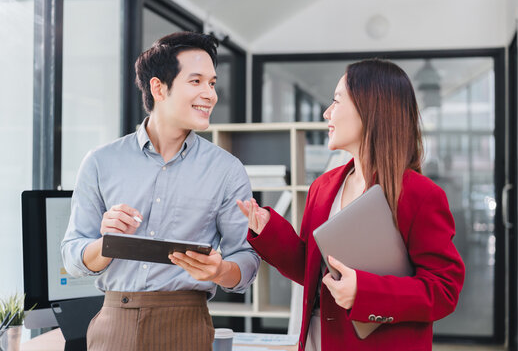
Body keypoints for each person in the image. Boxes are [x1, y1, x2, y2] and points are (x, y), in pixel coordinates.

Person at [237, 59, 465, 351]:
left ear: (370, 109)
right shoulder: (323, 186)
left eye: (336, 101)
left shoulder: (420, 194)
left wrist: (364, 293)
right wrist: (269, 230)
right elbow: (310, 269)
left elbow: (444, 290)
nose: (326, 112)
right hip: (318, 340)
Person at [62, 31, 260, 351]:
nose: (210, 94)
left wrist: (221, 270)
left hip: (188, 323)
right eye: (196, 81)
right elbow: (73, 257)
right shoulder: (101, 162)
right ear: (158, 87)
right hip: (114, 323)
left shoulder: (227, 169)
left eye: (211, 83)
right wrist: (106, 243)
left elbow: (246, 259)